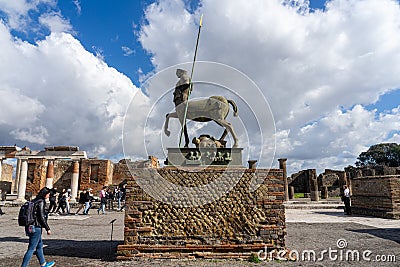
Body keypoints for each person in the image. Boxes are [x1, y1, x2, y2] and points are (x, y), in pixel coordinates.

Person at [21, 187, 55, 267]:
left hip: (29, 226)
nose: (49, 196)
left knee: (39, 245)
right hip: (36, 227)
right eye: (48, 194)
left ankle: (43, 263)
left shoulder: (33, 201)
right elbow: (41, 217)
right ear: (45, 194)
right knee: (31, 248)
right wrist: (47, 228)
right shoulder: (41, 202)